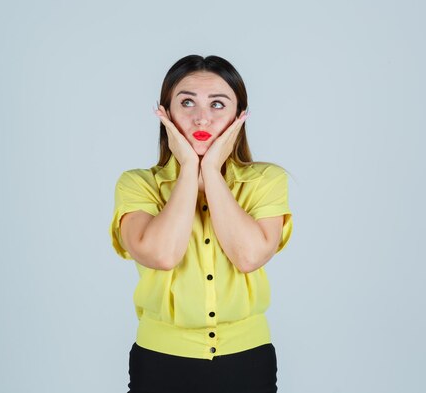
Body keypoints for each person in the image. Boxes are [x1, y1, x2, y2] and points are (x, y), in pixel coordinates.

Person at [109, 54, 293, 393]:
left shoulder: (266, 180)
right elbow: (162, 255)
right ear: (165, 113)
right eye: (187, 102)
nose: (201, 117)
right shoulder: (137, 184)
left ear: (239, 116)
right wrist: (189, 171)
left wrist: (210, 170)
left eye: (218, 104)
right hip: (159, 360)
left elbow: (249, 256)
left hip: (248, 360)